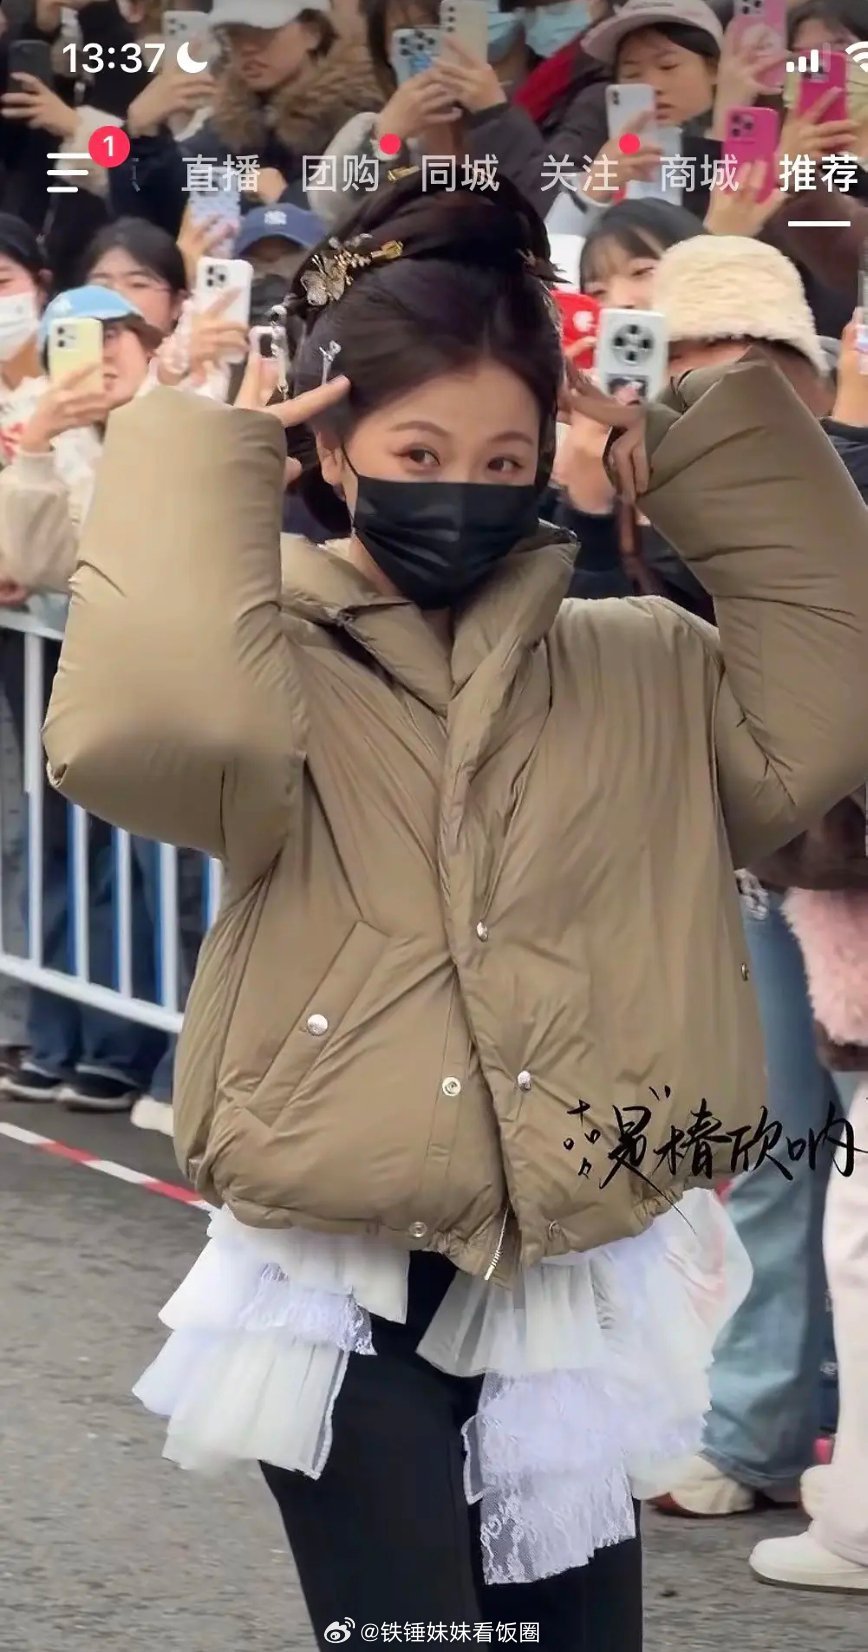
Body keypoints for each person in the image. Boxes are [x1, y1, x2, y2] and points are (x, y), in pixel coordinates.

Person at [43, 169, 868, 1649]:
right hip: (337, 1266)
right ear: (333, 445)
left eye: (504, 455)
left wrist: (711, 455)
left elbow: (831, 703)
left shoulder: (643, 659)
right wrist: (200, 464)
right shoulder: (272, 650)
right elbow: (139, 737)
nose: (462, 487)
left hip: (570, 1259)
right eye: (418, 450)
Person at [0, 282, 167, 1111]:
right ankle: (74, 1041)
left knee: (152, 861)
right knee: (62, 850)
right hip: (58, 667)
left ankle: (140, 1051)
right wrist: (38, 445)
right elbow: (35, 562)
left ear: (149, 341)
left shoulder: (180, 421)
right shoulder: (35, 426)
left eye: (114, 338)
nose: (96, 360)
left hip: (159, 674)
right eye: (74, 343)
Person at [109, 0, 383, 236]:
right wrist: (141, 136)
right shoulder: (229, 125)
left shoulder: (366, 122)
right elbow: (157, 221)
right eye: (235, 34)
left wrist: (286, 203)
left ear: (313, 33)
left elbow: (367, 224)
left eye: (263, 32)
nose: (247, 47)